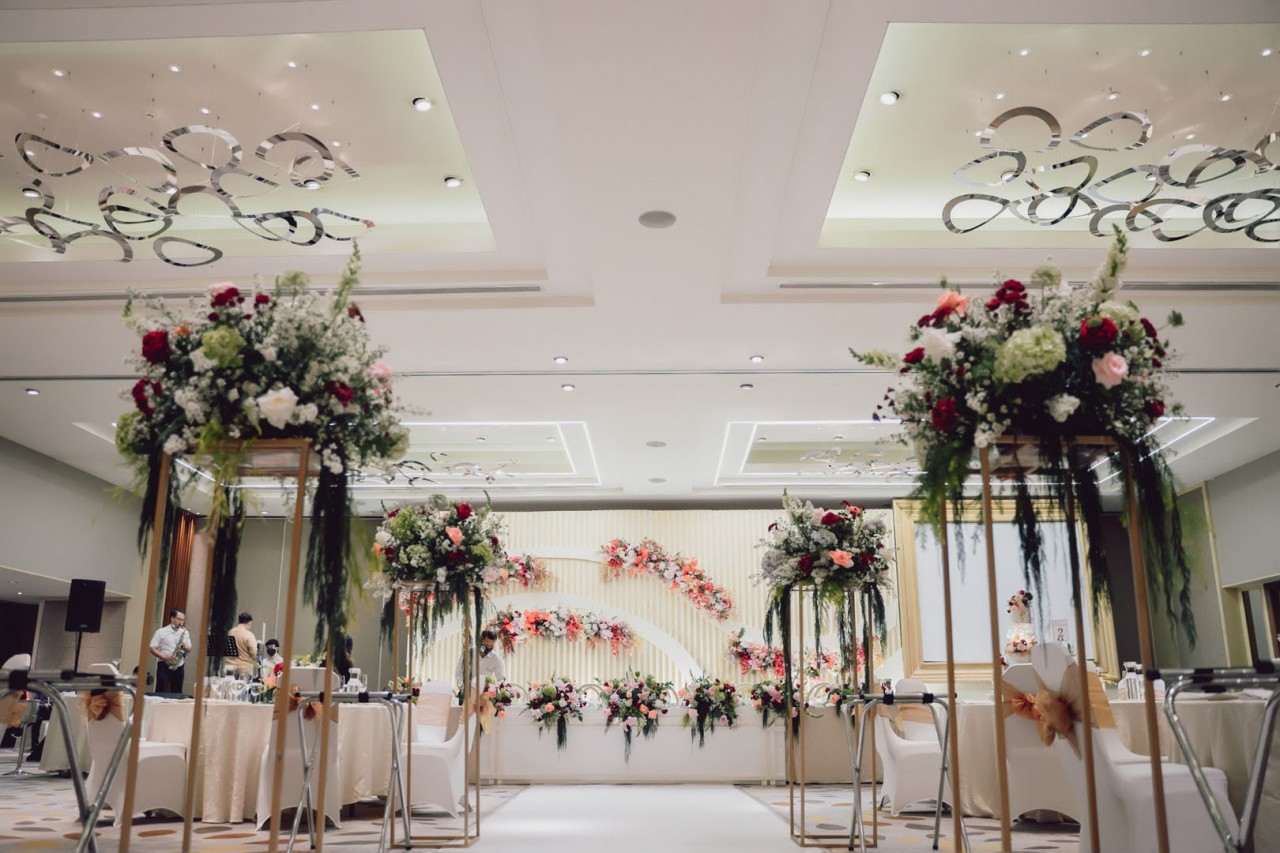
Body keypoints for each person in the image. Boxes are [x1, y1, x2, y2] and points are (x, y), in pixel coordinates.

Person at [148, 609, 191, 694]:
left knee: (177, 691)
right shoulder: (161, 632)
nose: (181, 622)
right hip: (164, 664)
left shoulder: (185, 632)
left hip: (179, 664)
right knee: (161, 689)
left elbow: (189, 649)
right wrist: (164, 657)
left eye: (182, 620)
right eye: (179, 619)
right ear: (172, 618)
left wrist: (185, 646)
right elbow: (152, 648)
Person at [228, 612, 257, 677]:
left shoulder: (230, 632)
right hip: (244, 667)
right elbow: (253, 653)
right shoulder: (249, 635)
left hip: (229, 666)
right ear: (249, 623)